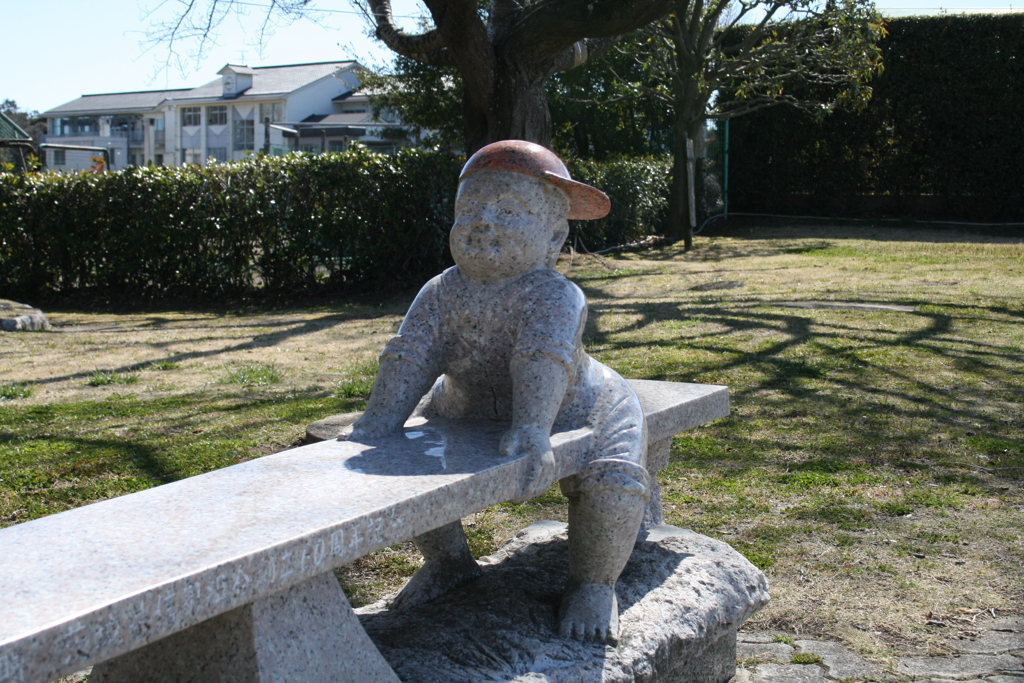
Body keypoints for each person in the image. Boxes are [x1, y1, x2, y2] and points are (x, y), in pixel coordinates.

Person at [342, 140, 649, 644]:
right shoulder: (441, 290)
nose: (484, 221)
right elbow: (409, 356)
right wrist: (378, 423)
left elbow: (541, 358)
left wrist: (531, 428)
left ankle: (594, 583)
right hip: (460, 405)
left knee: (612, 474)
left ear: (553, 237)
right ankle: (448, 561)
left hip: (578, 410)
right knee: (406, 458)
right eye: (471, 210)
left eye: (508, 211)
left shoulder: (555, 294)